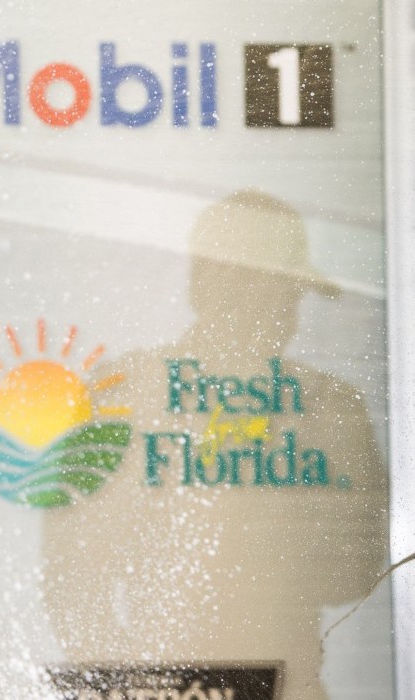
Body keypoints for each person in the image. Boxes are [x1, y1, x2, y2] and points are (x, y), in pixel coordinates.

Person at [40, 190, 388, 699]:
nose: (288, 312)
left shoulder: (330, 408)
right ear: (208, 286)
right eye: (278, 291)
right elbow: (73, 582)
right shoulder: (124, 396)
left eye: (290, 295)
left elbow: (357, 574)